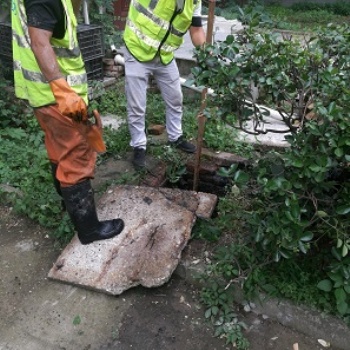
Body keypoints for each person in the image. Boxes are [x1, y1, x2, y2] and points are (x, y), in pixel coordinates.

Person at [11, 0, 125, 245]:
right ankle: (89, 230)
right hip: (59, 98)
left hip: (41, 94)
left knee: (58, 150)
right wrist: (63, 92)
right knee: (76, 156)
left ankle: (67, 204)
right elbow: (40, 42)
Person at [123, 0, 206, 169]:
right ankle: (139, 145)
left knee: (175, 98)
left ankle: (176, 136)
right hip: (137, 49)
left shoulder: (194, 2)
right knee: (137, 105)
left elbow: (196, 29)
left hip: (164, 56)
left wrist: (207, 55)